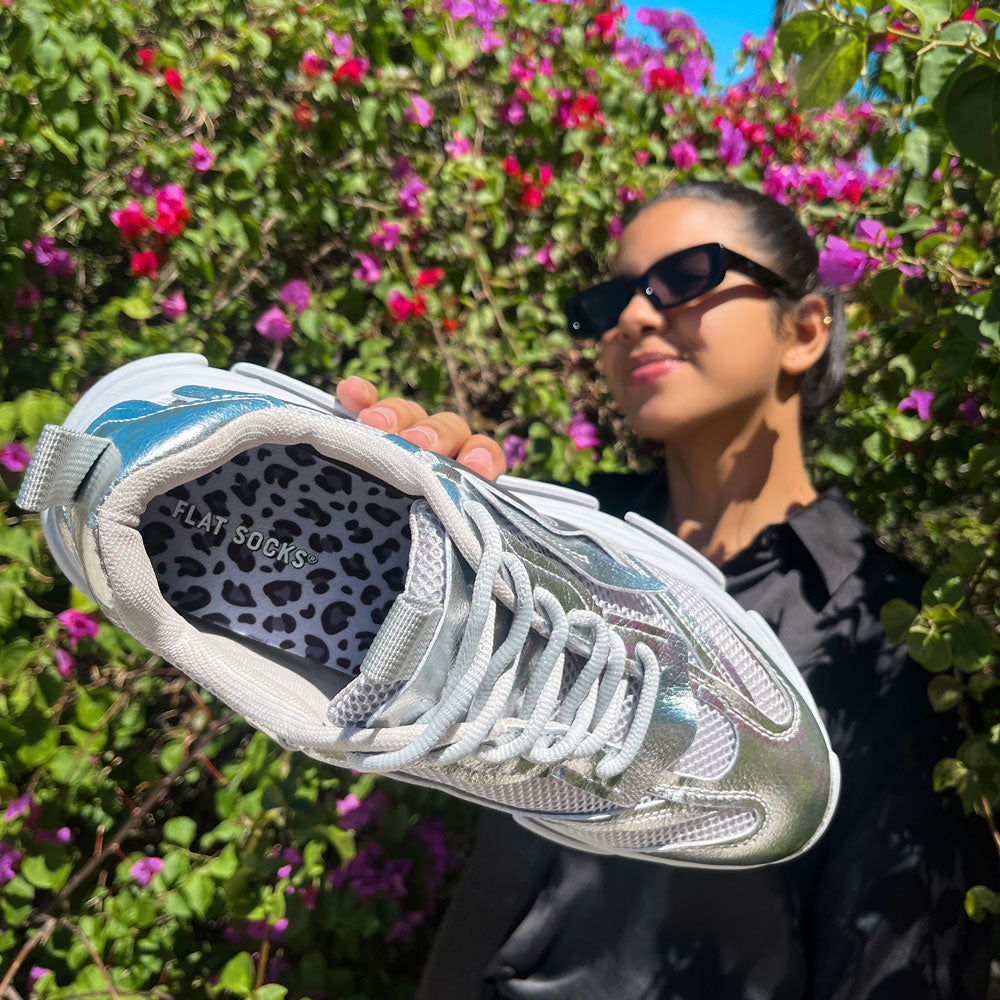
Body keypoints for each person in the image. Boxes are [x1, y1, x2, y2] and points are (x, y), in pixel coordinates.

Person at [335, 181, 995, 999]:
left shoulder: (895, 643)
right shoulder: (539, 548)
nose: (636, 318)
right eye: (613, 299)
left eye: (687, 277)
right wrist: (377, 516)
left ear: (805, 330)